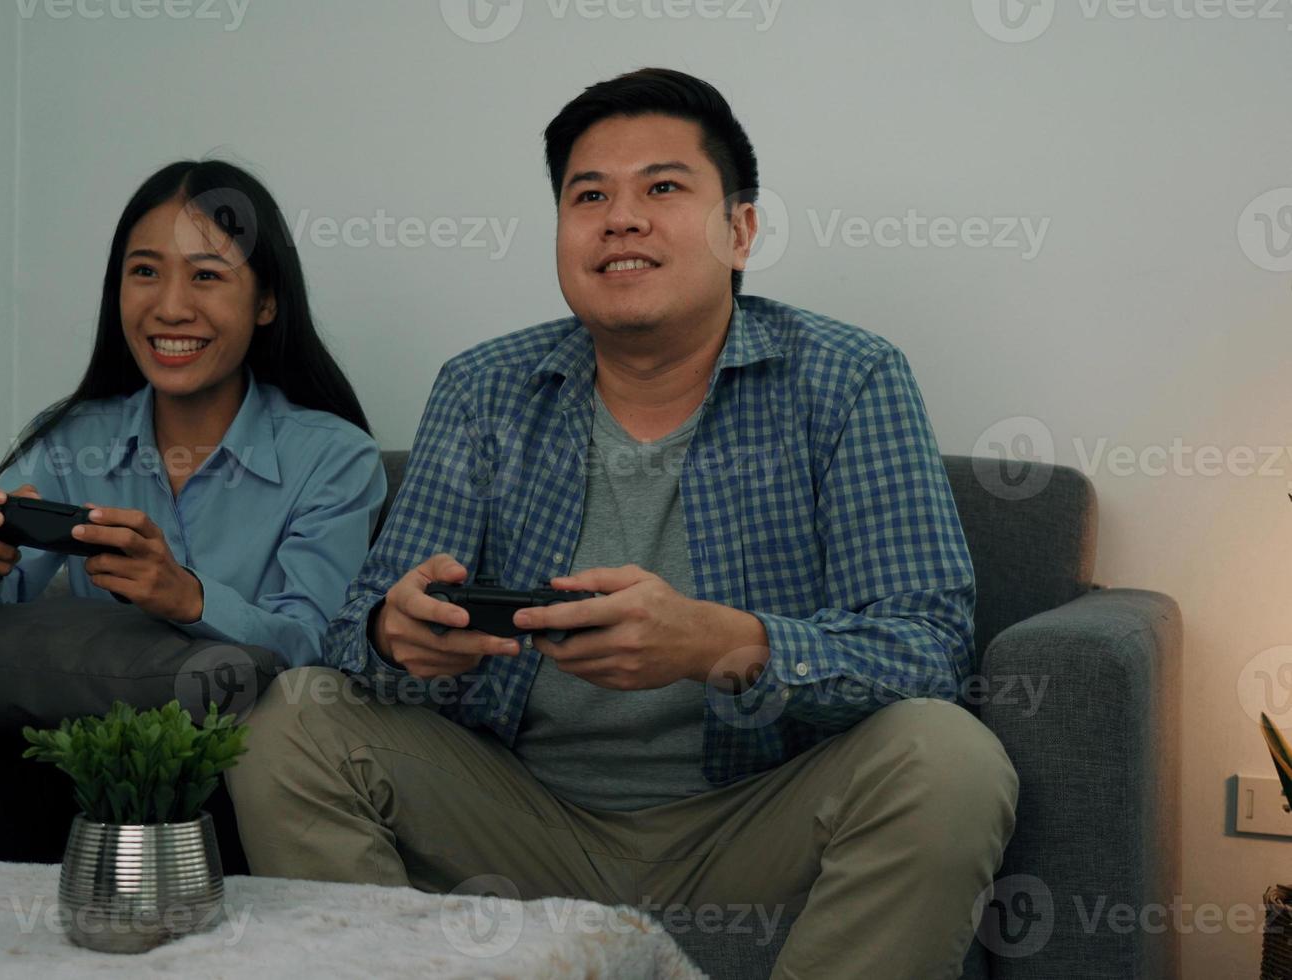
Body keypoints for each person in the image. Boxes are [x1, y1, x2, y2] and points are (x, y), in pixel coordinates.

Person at [226, 69, 1018, 979]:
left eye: (664, 188)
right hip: (521, 813)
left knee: (950, 757)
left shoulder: (848, 380)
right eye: (588, 194)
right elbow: (350, 634)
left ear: (741, 229)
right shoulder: (484, 389)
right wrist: (392, 632)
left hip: (756, 819)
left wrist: (725, 644)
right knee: (293, 719)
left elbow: (929, 649)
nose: (621, 217)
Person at [0, 159, 386, 867]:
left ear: (267, 302)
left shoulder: (335, 457)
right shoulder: (70, 438)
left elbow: (320, 646)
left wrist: (186, 596)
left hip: (244, 757)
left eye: (208, 276)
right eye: (145, 272)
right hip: (94, 748)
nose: (169, 307)